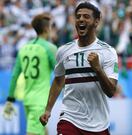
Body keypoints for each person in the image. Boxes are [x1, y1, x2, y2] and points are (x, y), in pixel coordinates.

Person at [39, 1, 118, 135]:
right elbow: (58, 81)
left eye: (86, 16)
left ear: (96, 21)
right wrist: (48, 110)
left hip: (98, 124)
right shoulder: (63, 51)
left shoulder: (108, 52)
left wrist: (98, 69)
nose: (81, 19)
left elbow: (111, 91)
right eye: (78, 16)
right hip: (69, 119)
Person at [2, 13, 57, 135]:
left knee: (41, 130)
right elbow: (60, 74)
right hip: (41, 101)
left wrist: (10, 100)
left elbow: (14, 75)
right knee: (35, 132)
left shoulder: (24, 48)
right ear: (46, 29)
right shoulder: (50, 48)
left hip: (27, 100)